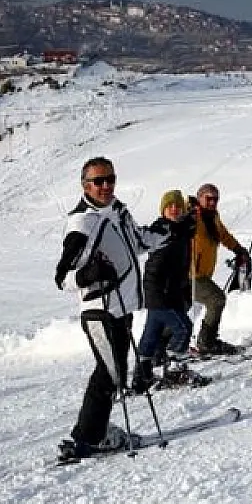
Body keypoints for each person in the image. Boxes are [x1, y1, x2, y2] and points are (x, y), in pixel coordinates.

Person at [52, 157, 171, 463]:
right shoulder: (82, 224)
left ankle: (97, 431)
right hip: (99, 311)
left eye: (110, 179)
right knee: (110, 374)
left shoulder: (117, 210)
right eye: (99, 181)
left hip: (121, 307)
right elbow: (61, 278)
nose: (106, 186)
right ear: (85, 185)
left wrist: (167, 229)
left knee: (114, 372)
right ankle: (87, 439)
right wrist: (88, 274)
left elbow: (139, 243)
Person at [130, 190, 205, 392]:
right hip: (158, 290)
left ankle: (142, 375)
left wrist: (191, 217)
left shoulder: (179, 228)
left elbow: (184, 229)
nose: (174, 209)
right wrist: (188, 220)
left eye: (177, 206)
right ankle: (175, 369)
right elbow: (174, 231)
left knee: (152, 332)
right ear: (163, 210)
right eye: (169, 206)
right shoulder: (161, 228)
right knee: (183, 327)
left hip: (169, 290)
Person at [188, 182, 250, 357]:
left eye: (215, 199)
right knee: (216, 300)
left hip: (202, 273)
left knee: (180, 310)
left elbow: (223, 235)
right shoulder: (191, 216)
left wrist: (238, 249)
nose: (212, 202)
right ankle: (206, 342)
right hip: (190, 274)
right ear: (199, 198)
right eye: (208, 199)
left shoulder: (212, 216)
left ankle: (167, 346)